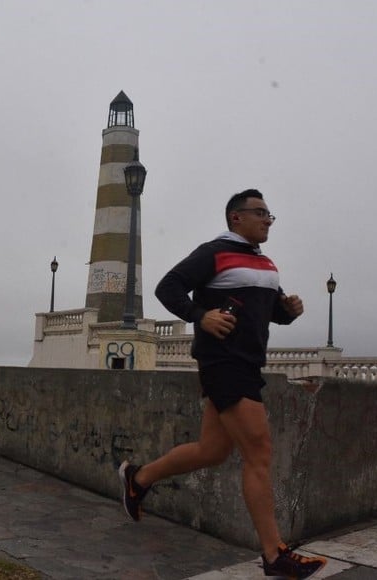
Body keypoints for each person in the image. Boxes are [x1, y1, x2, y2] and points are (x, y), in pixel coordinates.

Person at [118, 189, 327, 579]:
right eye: (261, 213)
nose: (268, 219)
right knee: (259, 452)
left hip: (248, 362)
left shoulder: (264, 262)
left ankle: (138, 477)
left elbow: (266, 314)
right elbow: (168, 287)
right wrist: (202, 316)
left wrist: (289, 312)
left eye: (270, 214)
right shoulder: (213, 251)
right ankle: (273, 554)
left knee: (212, 450)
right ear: (236, 217)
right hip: (223, 362)